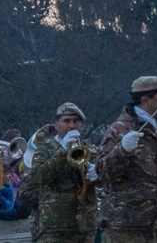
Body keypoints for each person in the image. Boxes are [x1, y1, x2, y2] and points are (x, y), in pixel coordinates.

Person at [94, 77, 157, 243]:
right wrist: (122, 150)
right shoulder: (119, 129)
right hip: (125, 229)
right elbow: (102, 173)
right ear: (146, 100)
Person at [24, 103, 98, 243]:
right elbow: (37, 177)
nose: (71, 126)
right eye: (66, 121)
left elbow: (105, 183)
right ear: (56, 125)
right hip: (55, 227)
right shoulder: (45, 149)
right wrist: (63, 152)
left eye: (76, 121)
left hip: (85, 226)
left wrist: (98, 173)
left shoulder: (91, 149)